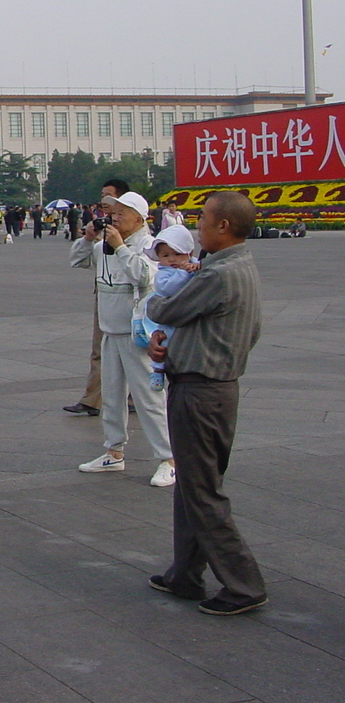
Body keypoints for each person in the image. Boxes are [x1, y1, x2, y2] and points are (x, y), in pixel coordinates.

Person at [146, 192, 266, 615]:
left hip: (202, 391)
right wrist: (173, 347)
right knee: (194, 485)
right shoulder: (239, 266)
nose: (197, 228)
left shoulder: (216, 275)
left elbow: (166, 306)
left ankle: (244, 583)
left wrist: (159, 306)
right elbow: (243, 331)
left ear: (224, 227)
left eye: (203, 221)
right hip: (215, 385)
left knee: (201, 491)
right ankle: (185, 573)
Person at [69, 191, 175, 487]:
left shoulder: (149, 246)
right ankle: (113, 452)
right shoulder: (105, 243)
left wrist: (120, 248)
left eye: (122, 213)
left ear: (139, 218)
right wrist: (89, 239)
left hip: (137, 333)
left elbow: (145, 277)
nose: (115, 218)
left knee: (149, 398)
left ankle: (169, 458)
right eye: (113, 213)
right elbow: (77, 260)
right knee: (112, 397)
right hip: (110, 330)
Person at [63, 179, 131, 417]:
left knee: (136, 352)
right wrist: (89, 238)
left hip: (131, 299)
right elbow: (79, 260)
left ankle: (133, 397)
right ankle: (94, 399)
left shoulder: (137, 235)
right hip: (105, 296)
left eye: (108, 196)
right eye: (102, 196)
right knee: (100, 349)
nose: (103, 201)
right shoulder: (102, 231)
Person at [136, 225, 200, 391]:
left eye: (177, 254)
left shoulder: (192, 266)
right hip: (168, 319)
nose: (172, 259)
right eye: (166, 255)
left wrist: (194, 267)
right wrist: (184, 273)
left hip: (187, 316)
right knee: (164, 341)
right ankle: (157, 370)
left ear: (189, 253)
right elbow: (167, 289)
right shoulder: (164, 273)